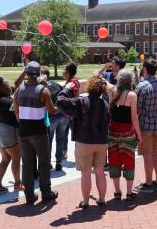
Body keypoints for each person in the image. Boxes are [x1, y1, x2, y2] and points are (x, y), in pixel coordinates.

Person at [57, 75, 110, 209]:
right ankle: (102, 200)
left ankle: (86, 202)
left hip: (84, 142)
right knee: (100, 172)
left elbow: (61, 102)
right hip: (101, 142)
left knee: (86, 174)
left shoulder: (81, 101)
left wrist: (66, 88)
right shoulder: (105, 104)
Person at [13, 61, 59, 204]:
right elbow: (51, 111)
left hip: (23, 131)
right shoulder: (43, 90)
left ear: (27, 73)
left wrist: (22, 122)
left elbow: (16, 110)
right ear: (39, 73)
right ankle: (46, 193)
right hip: (38, 131)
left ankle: (29, 196)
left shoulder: (18, 89)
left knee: (27, 164)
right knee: (44, 163)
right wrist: (62, 107)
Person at [108, 69, 142, 201]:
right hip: (127, 132)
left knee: (114, 161)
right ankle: (129, 193)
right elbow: (134, 118)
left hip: (113, 132)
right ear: (131, 81)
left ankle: (117, 192)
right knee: (129, 161)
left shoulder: (112, 92)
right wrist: (139, 134)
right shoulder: (132, 95)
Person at [0, 77, 24, 194]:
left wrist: (24, 72)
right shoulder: (6, 101)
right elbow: (19, 112)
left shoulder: (0, 99)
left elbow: (16, 85)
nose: (9, 87)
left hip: (0, 130)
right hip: (8, 131)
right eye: (7, 85)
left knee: (5, 159)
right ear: (0, 88)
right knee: (16, 158)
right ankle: (18, 183)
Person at [134, 59, 157, 193]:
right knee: (156, 154)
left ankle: (148, 184)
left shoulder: (142, 87)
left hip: (146, 127)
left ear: (145, 69)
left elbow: (136, 109)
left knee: (147, 155)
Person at [39, 68, 68, 172]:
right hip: (63, 114)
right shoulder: (58, 85)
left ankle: (49, 162)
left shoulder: (42, 87)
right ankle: (59, 162)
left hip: (51, 116)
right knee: (60, 139)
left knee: (49, 139)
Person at [61, 62, 80, 160]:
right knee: (64, 133)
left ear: (68, 72)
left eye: (64, 69)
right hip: (66, 113)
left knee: (76, 134)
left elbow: (75, 97)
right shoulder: (70, 81)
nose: (62, 72)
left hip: (72, 114)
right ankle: (64, 152)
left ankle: (79, 154)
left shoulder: (73, 82)